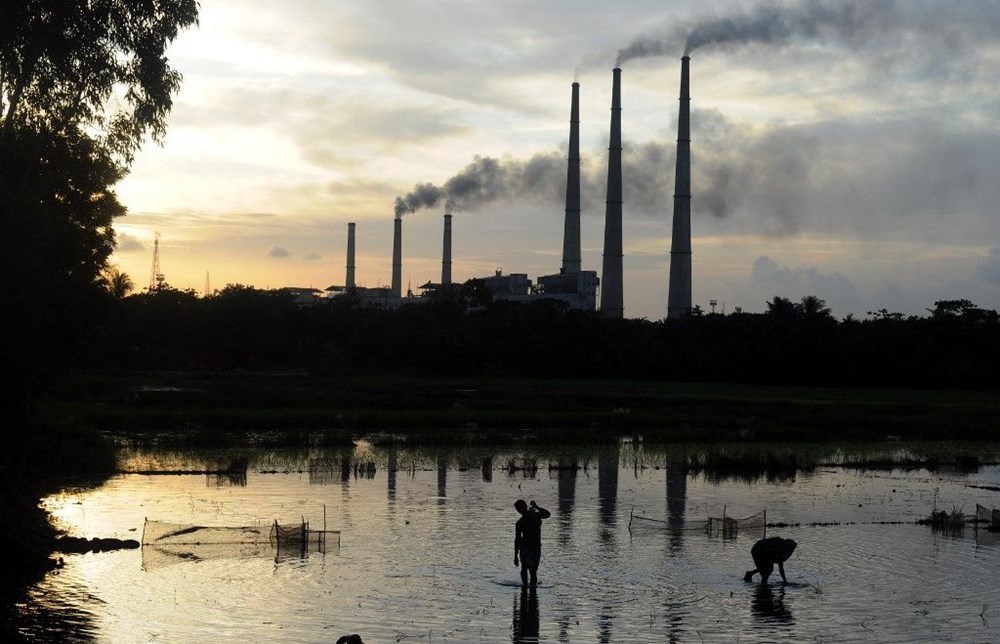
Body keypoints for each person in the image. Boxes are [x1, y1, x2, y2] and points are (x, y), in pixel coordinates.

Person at [514, 499, 551, 587]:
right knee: (524, 567)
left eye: (521, 508)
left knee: (533, 570)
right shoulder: (520, 523)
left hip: (536, 546)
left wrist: (536, 507)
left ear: (525, 506)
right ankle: (525, 586)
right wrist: (515, 555)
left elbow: (547, 514)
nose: (520, 510)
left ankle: (532, 587)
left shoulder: (535, 515)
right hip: (525, 547)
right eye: (518, 509)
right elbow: (517, 539)